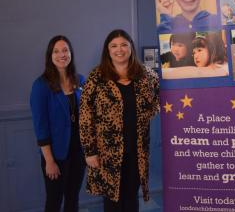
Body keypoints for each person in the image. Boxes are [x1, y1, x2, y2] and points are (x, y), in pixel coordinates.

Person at [79, 29, 160, 212]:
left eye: (124, 44)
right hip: (106, 152)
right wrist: (89, 151)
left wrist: (146, 115)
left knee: (131, 197)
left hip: (136, 150)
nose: (119, 49)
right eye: (114, 46)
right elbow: (85, 116)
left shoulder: (147, 76)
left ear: (131, 47)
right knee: (113, 200)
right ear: (107, 50)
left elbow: (158, 102)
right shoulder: (96, 77)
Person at [30, 35, 86, 212]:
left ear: (71, 54)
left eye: (65, 50)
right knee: (54, 201)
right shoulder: (41, 86)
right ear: (50, 56)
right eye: (56, 51)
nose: (62, 54)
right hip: (56, 155)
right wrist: (49, 161)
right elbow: (41, 127)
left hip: (78, 152)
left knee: (73, 198)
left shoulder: (80, 80)